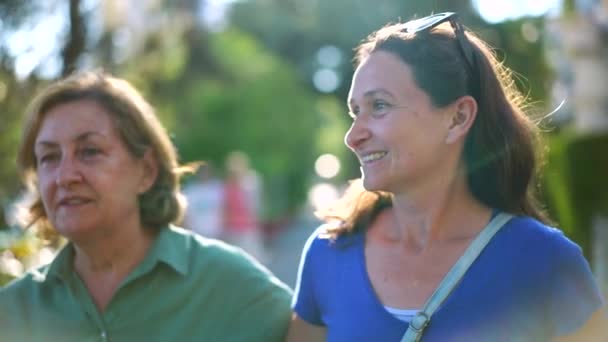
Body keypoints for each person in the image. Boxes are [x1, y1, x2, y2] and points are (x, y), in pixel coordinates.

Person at [287, 12, 606, 341]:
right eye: (356, 112)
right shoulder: (329, 254)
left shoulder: (545, 262)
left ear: (458, 118)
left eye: (379, 106)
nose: (353, 136)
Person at [0, 71, 292, 341]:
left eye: (89, 151)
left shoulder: (229, 285)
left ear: (147, 171)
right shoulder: (13, 310)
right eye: (49, 157)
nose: (65, 176)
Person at [182, 163, 224, 239]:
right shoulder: (191, 190)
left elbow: (224, 208)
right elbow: (186, 213)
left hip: (215, 231)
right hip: (196, 231)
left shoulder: (217, 188)